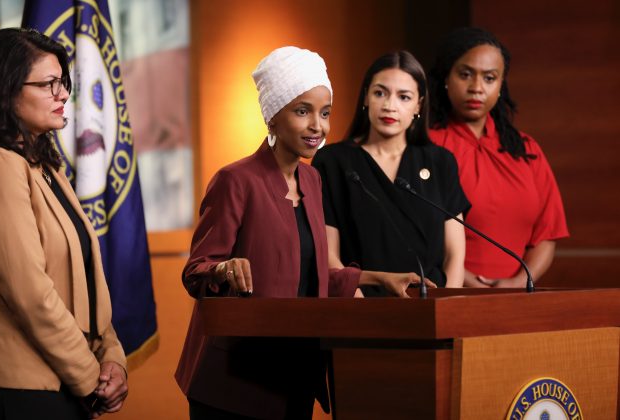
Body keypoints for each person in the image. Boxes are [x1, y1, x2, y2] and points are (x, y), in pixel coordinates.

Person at [175, 46, 434, 420]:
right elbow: (196, 270)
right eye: (302, 111)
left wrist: (381, 279)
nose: (318, 126)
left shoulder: (312, 179)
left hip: (295, 375)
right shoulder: (235, 180)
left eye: (325, 113)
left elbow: (309, 277)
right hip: (234, 382)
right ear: (273, 117)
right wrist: (221, 269)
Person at [0, 28, 128, 419]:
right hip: (13, 387)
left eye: (64, 83)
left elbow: (82, 278)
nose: (63, 95)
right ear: (3, 90)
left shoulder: (42, 167)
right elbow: (30, 292)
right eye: (49, 84)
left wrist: (112, 358)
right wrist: (90, 376)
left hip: (58, 381)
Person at [312, 51, 469, 293]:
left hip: (430, 306)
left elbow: (455, 255)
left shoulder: (440, 162)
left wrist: (448, 303)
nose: (389, 106)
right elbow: (328, 255)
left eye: (404, 97)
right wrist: (355, 298)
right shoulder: (332, 162)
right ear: (365, 97)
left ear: (419, 104)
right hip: (361, 306)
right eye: (379, 93)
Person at [428, 27, 569, 288]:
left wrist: (519, 282)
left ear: (501, 85)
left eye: (490, 78)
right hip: (449, 294)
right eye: (465, 74)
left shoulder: (526, 149)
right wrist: (469, 283)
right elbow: (416, 236)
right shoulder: (426, 147)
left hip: (518, 299)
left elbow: (547, 235)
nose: (477, 88)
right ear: (446, 78)